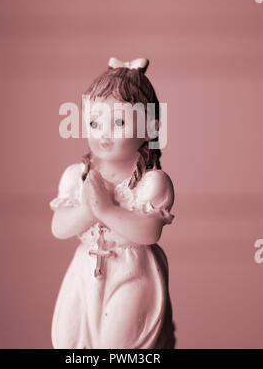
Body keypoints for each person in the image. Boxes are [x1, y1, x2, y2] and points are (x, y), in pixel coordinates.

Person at [50, 57, 176, 349]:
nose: (103, 132)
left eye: (118, 122)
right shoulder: (77, 177)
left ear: (150, 129)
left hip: (132, 271)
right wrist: (87, 208)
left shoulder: (152, 183)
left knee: (120, 343)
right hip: (85, 271)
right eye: (94, 122)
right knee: (71, 342)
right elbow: (59, 227)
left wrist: (106, 209)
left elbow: (149, 233)